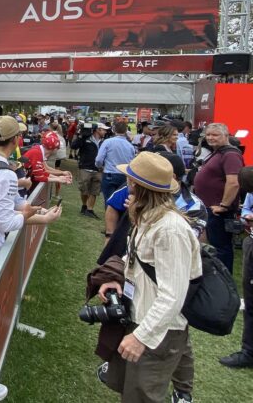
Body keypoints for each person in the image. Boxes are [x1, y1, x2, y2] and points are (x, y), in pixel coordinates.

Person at [0, 116, 62, 402]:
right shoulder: (5, 173)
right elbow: (7, 222)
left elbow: (10, 204)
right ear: (16, 140)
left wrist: (38, 216)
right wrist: (30, 215)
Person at [98, 152, 201, 403]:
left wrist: (141, 336)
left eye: (129, 180)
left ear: (137, 186)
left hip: (159, 331)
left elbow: (172, 295)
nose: (127, 185)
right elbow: (136, 261)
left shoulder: (169, 229)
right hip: (142, 318)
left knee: (142, 396)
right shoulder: (147, 218)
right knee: (131, 391)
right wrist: (117, 278)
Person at [193, 122, 244, 273]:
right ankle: (217, 276)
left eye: (215, 135)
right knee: (214, 246)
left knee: (221, 248)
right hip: (210, 208)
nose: (210, 138)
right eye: (208, 135)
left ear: (226, 136)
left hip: (219, 211)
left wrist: (224, 205)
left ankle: (223, 278)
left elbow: (234, 182)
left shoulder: (231, 154)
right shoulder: (219, 152)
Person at [219, 165, 253, 368]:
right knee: (251, 301)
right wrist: (247, 216)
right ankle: (249, 352)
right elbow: (247, 206)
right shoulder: (250, 181)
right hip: (251, 241)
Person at [71, 122, 107, 219]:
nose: (105, 131)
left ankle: (90, 209)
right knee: (84, 189)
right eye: (103, 129)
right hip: (85, 168)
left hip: (98, 169)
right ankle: (84, 206)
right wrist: (81, 136)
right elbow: (73, 146)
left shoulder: (104, 141)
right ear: (97, 130)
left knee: (94, 190)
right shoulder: (85, 139)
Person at [96, 121, 136, 204]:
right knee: (122, 201)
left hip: (110, 174)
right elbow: (133, 162)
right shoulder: (130, 146)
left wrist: (99, 166)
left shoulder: (108, 142)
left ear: (114, 130)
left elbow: (99, 159)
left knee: (109, 200)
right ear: (126, 131)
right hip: (124, 176)